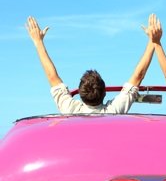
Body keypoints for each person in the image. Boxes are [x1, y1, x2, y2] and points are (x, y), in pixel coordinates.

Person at [26, 14, 157, 114]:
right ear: (104, 93)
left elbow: (52, 76)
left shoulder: (70, 110)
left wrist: (38, 42)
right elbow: (138, 76)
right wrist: (153, 41)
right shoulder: (112, 111)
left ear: (81, 95)